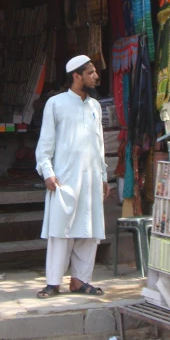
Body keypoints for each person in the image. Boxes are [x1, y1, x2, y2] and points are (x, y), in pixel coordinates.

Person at [35, 55, 108, 299]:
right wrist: (47, 172)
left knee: (89, 231)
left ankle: (81, 281)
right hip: (64, 179)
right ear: (77, 76)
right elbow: (45, 143)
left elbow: (99, 146)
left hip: (91, 179)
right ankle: (53, 282)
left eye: (94, 72)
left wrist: (104, 176)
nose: (95, 76)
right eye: (90, 72)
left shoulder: (95, 106)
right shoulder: (55, 104)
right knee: (60, 231)